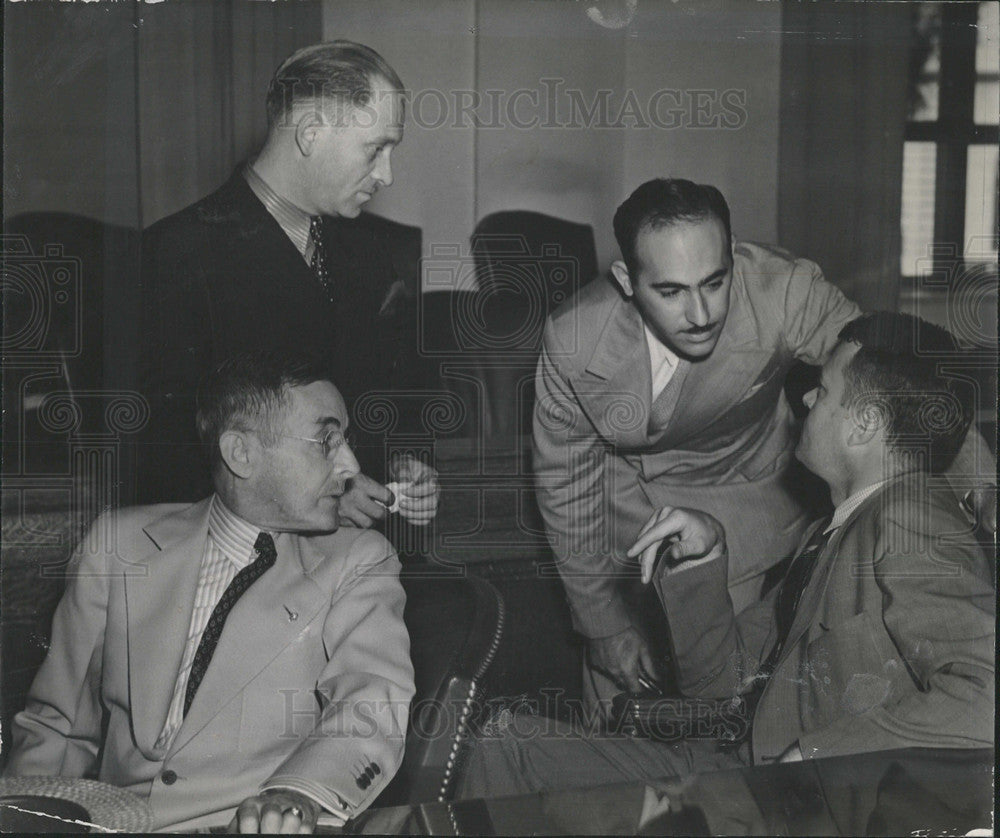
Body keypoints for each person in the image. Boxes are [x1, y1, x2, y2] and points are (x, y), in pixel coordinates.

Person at [464, 312, 995, 798]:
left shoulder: (912, 515)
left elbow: (987, 700)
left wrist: (814, 759)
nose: (808, 400)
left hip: (776, 796)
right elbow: (719, 687)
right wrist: (703, 559)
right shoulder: (833, 530)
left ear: (866, 423)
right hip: (729, 767)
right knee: (495, 740)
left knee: (499, 750)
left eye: (826, 390)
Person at [5, 352, 416, 833]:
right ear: (241, 453)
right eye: (326, 441)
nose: (350, 465)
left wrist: (295, 795)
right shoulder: (118, 545)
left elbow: (370, 706)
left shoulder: (359, 560)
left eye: (345, 440)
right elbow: (58, 726)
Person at [533, 178, 860, 707]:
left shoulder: (783, 290)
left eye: (714, 282)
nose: (702, 314)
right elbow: (564, 487)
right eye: (670, 292)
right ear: (626, 280)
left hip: (740, 522)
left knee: (722, 715)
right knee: (612, 719)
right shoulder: (573, 339)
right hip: (615, 539)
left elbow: (891, 377)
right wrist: (602, 626)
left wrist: (979, 486)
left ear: (732, 257)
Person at [137, 40, 438, 531]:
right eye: (375, 149)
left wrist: (407, 465)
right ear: (310, 133)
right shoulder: (176, 253)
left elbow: (394, 402)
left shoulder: (371, 254)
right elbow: (162, 456)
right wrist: (319, 494)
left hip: (365, 564)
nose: (387, 174)